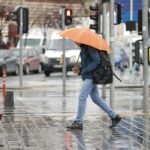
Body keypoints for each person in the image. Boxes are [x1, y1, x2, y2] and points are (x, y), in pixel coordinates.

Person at [67, 44, 121, 130]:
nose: (75, 42)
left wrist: (84, 70)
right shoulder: (84, 47)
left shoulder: (90, 47)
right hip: (88, 76)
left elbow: (96, 60)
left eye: (75, 41)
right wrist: (80, 69)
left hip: (91, 76)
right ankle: (114, 116)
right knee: (96, 98)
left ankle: (79, 122)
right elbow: (87, 62)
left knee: (82, 97)